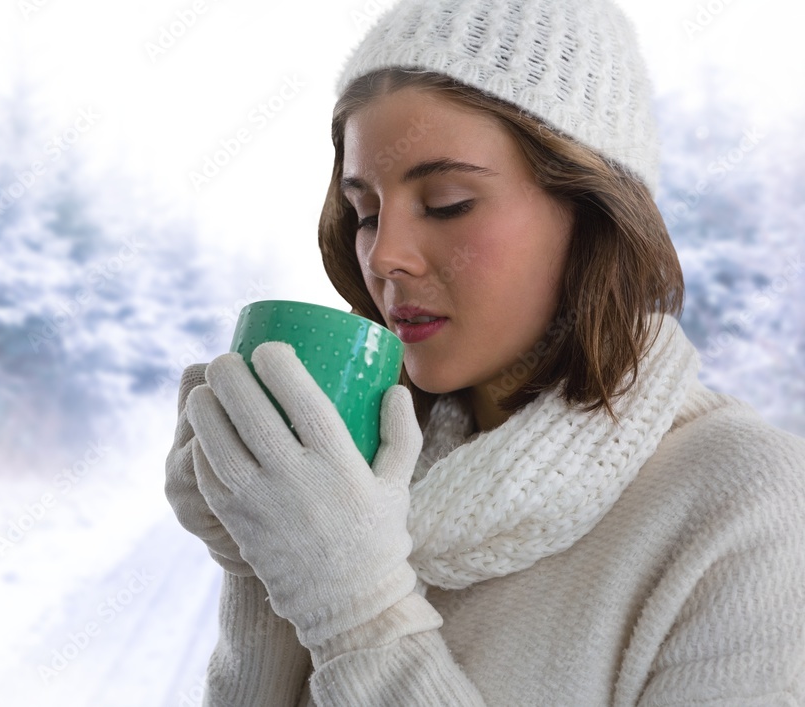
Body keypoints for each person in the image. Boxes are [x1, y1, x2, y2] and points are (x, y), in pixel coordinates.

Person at [165, 0, 805, 703]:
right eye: (366, 212)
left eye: (445, 203)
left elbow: (352, 609)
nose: (384, 255)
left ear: (593, 214)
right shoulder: (373, 466)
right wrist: (261, 561)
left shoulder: (749, 504)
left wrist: (359, 612)